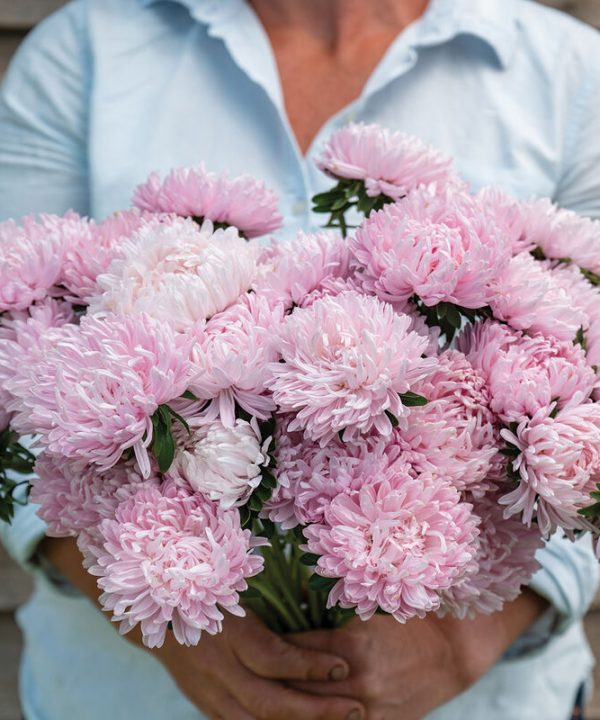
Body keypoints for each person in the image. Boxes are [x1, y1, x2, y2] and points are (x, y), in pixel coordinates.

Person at [1, 1, 599, 718]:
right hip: (128, 691)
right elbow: (17, 357)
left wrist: (468, 639)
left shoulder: (569, 72)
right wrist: (166, 610)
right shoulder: (86, 48)